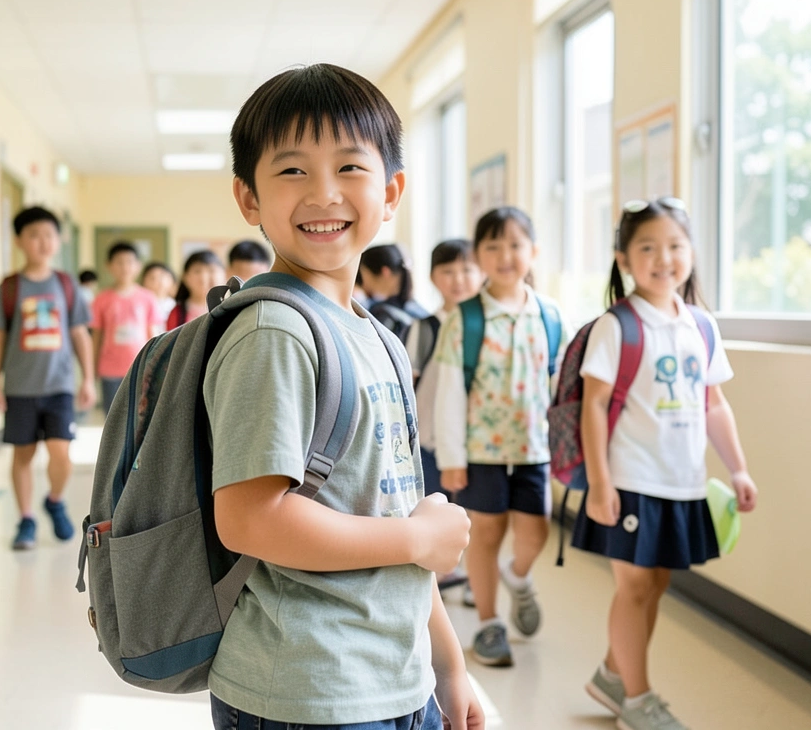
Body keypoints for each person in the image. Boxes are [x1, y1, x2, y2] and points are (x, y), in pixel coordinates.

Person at [207, 63, 482, 730]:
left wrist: (447, 664)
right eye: (293, 170)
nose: (324, 193)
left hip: (391, 674)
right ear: (250, 199)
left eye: (351, 168)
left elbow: (393, 513)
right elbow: (249, 519)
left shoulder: (377, 337)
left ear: (390, 192)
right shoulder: (275, 333)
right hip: (307, 687)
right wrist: (417, 537)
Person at [572, 197, 757, 730]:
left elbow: (713, 404)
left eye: (675, 246)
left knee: (655, 585)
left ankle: (613, 673)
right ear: (624, 258)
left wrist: (738, 468)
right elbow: (594, 408)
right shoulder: (618, 325)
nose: (663, 258)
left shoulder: (700, 325)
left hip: (682, 482)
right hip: (630, 480)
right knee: (633, 588)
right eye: (647, 247)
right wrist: (601, 483)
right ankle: (638, 698)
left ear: (692, 252)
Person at [428, 207, 561, 668]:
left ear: (534, 252)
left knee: (536, 531)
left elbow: (558, 386)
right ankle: (488, 623)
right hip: (480, 450)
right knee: (485, 534)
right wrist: (451, 456)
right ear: (478, 254)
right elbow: (449, 392)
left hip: (534, 448)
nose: (506, 255)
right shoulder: (464, 319)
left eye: (515, 245)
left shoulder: (549, 315)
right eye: (493, 246)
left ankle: (518, 577)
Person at [0, 206, 96, 551]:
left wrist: (88, 379)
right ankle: (26, 520)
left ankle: (55, 499)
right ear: (19, 241)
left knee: (61, 453)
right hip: (20, 388)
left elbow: (80, 334)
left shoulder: (66, 285)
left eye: (49, 235)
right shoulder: (9, 287)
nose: (43, 242)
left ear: (58, 240)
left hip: (59, 386)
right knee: (23, 455)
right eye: (34, 235)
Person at [404, 239, 482, 595]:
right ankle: (436, 580)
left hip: (479, 439)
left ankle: (476, 579)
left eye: (467, 269)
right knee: (437, 508)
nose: (458, 279)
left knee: (476, 514)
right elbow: (409, 383)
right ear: (433, 277)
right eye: (448, 271)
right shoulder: (425, 327)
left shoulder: (484, 326)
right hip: (431, 439)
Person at [91, 242, 161, 416]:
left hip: (141, 368)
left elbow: (154, 335)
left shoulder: (148, 298)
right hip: (110, 371)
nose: (124, 267)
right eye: (119, 262)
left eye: (130, 262)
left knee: (140, 418)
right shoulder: (102, 299)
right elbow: (97, 337)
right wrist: (91, 372)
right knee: (113, 417)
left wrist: (156, 367)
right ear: (109, 266)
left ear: (138, 266)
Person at [360, 244, 429, 340]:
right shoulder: (420, 311)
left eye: (365, 275)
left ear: (385, 272)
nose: (364, 284)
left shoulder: (380, 315)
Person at [166, 250, 226, 330]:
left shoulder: (231, 307)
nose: (204, 277)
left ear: (224, 274)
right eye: (197, 271)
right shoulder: (177, 313)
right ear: (185, 277)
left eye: (211, 270)